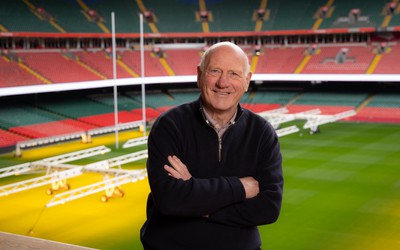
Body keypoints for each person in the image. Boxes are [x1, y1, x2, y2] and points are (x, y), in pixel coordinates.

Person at [140, 41, 283, 250]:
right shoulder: (169, 126)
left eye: (234, 74)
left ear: (247, 80)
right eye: (215, 71)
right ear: (199, 75)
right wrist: (240, 187)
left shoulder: (262, 133)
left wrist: (196, 197)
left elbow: (268, 208)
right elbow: (170, 200)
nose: (223, 83)